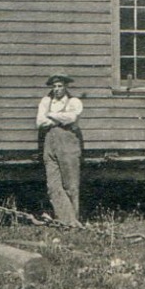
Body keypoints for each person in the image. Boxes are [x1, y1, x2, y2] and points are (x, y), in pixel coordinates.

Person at [36, 74, 84, 226]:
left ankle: (73, 221)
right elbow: (40, 122)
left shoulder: (74, 102)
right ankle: (64, 220)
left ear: (65, 86)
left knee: (70, 184)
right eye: (54, 86)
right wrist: (58, 117)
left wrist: (50, 115)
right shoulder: (46, 101)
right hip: (50, 144)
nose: (57, 89)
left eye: (60, 86)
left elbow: (71, 118)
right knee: (53, 185)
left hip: (68, 145)